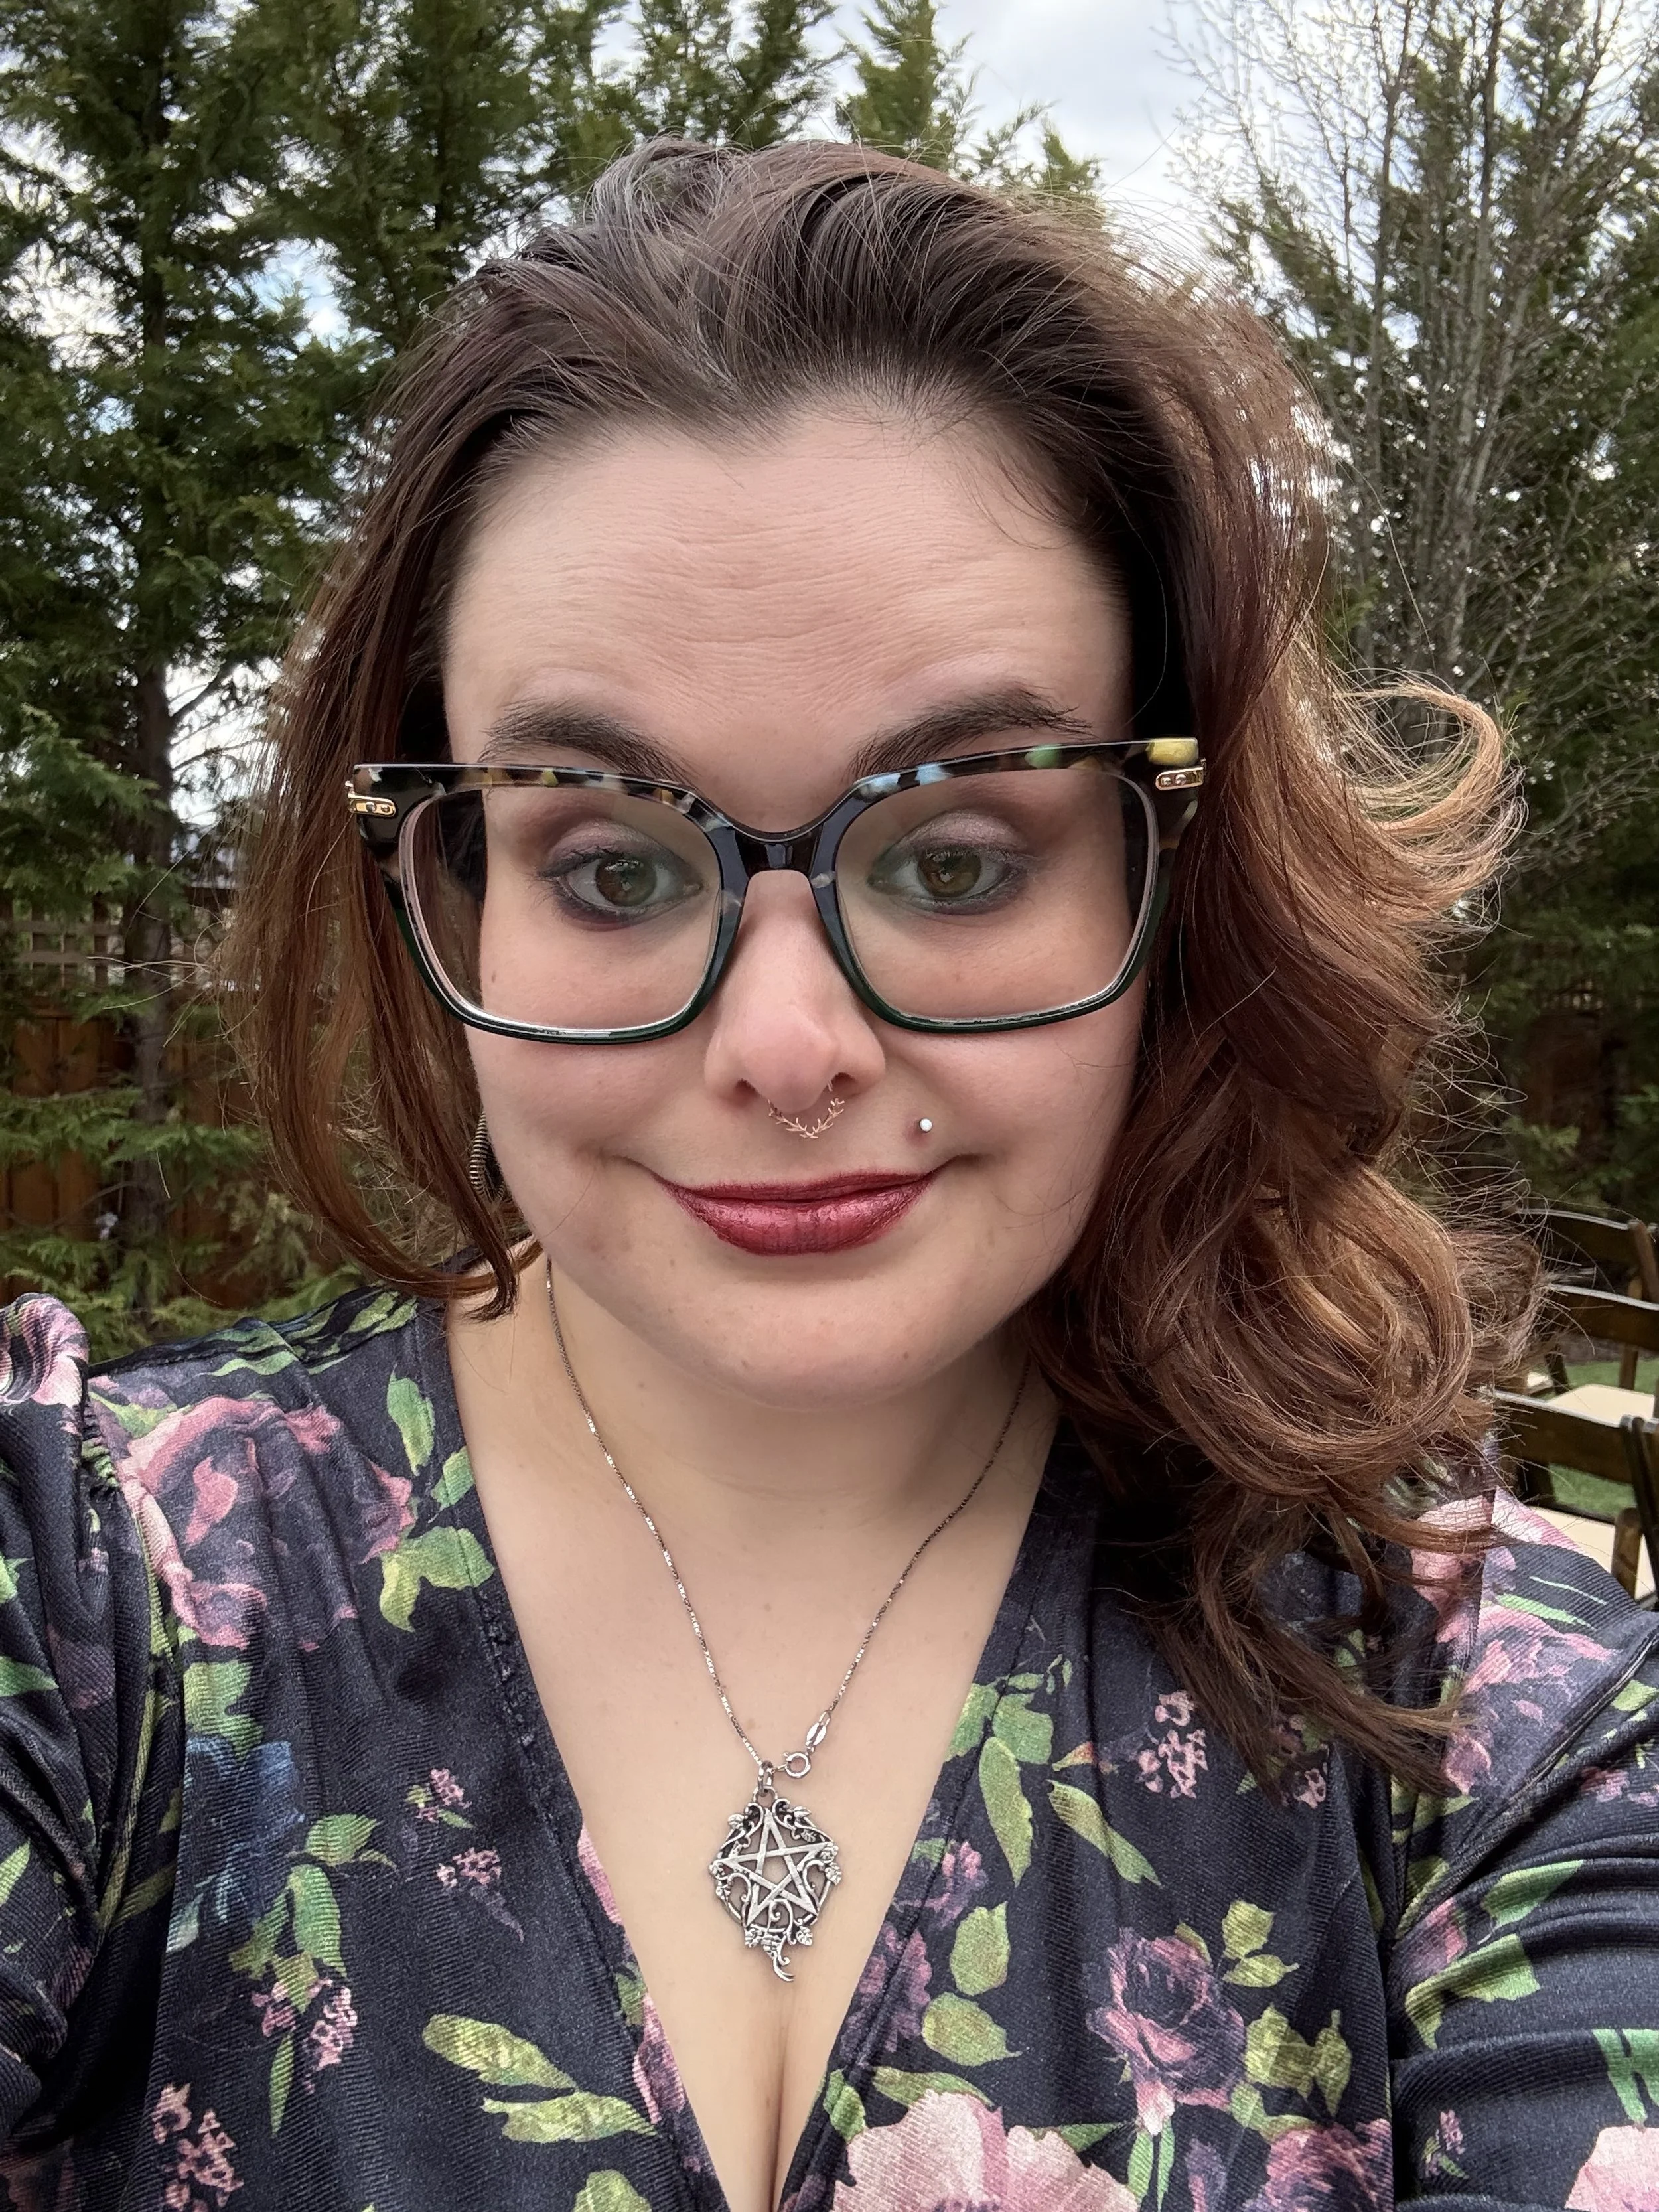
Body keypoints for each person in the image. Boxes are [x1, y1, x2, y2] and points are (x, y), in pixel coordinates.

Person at [0, 136, 1654, 2212]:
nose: (786, 1049)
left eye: (958, 855)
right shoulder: (90, 1608)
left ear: (1176, 869)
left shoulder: (1482, 1724)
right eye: (605, 862)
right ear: (451, 884)